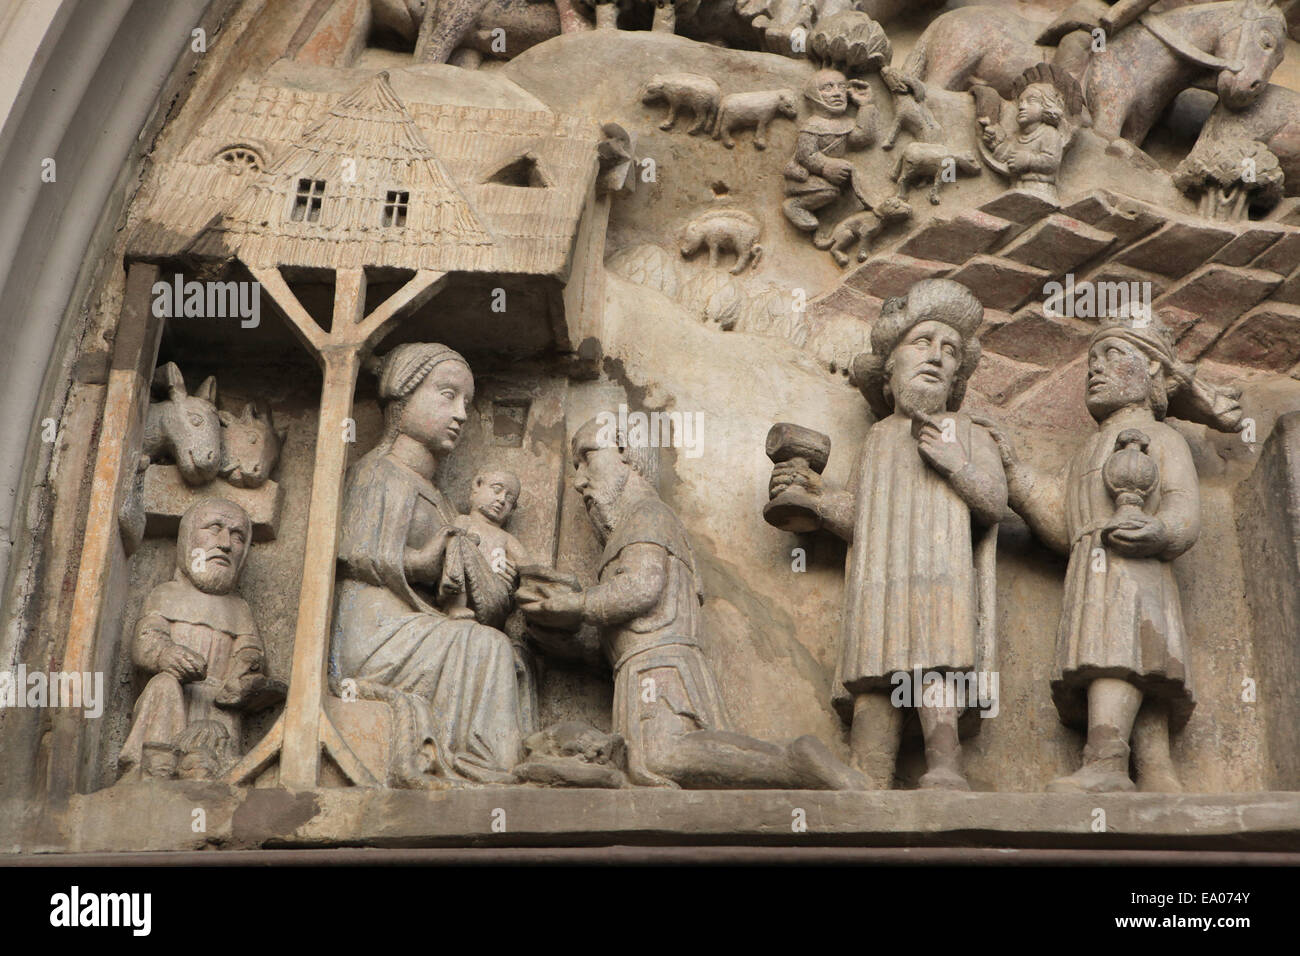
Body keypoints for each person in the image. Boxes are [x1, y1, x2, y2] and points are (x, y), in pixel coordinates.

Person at [519, 417, 866, 790]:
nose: (580, 481)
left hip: (659, 668)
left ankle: (793, 761)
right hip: (641, 670)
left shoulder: (647, 515)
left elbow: (641, 589)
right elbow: (631, 625)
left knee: (662, 756)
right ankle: (791, 762)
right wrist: (566, 637)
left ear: (624, 451)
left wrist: (576, 604)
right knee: (652, 760)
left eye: (587, 457)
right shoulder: (634, 526)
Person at [980, 315, 1240, 792]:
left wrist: (1159, 530)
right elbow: (1062, 522)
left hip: (1135, 566)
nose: (1095, 369)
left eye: (1113, 356)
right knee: (1137, 662)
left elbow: (1185, 509)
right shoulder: (1088, 449)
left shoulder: (1163, 439)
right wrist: (1013, 472)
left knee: (1118, 657)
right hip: (1094, 565)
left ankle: (1105, 762)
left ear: (1152, 374)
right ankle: (1157, 773)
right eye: (1091, 361)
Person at [769, 279, 1006, 790]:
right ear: (890, 366)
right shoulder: (876, 438)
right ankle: (868, 769)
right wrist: (814, 500)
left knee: (938, 662)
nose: (937, 357)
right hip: (880, 580)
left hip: (942, 577)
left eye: (950, 351)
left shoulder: (967, 434)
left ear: (958, 376)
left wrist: (956, 464)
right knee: (875, 669)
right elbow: (859, 514)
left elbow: (994, 505)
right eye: (922, 343)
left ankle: (944, 766)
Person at [331, 343, 524, 787]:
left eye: (467, 403)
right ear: (404, 395)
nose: (460, 413)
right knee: (486, 647)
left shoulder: (437, 496)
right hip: (372, 632)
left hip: (414, 623)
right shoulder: (377, 473)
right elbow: (351, 553)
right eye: (446, 394)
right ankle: (483, 764)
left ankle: (487, 761)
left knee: (501, 648)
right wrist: (424, 560)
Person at [119, 497, 278, 780]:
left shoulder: (239, 610)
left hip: (217, 707)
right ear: (188, 538)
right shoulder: (165, 595)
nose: (226, 543)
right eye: (213, 528)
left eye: (238, 536)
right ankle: (154, 767)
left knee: (213, 758)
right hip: (174, 697)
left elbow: (249, 651)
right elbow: (146, 639)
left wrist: (246, 670)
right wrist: (166, 654)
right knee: (163, 686)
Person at [782, 68, 877, 235]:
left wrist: (866, 105)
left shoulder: (847, 122)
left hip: (832, 179)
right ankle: (796, 205)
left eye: (841, 87)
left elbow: (862, 138)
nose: (837, 93)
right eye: (828, 88)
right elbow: (805, 155)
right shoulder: (812, 125)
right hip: (804, 179)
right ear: (814, 95)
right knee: (829, 192)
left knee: (838, 191)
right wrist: (826, 166)